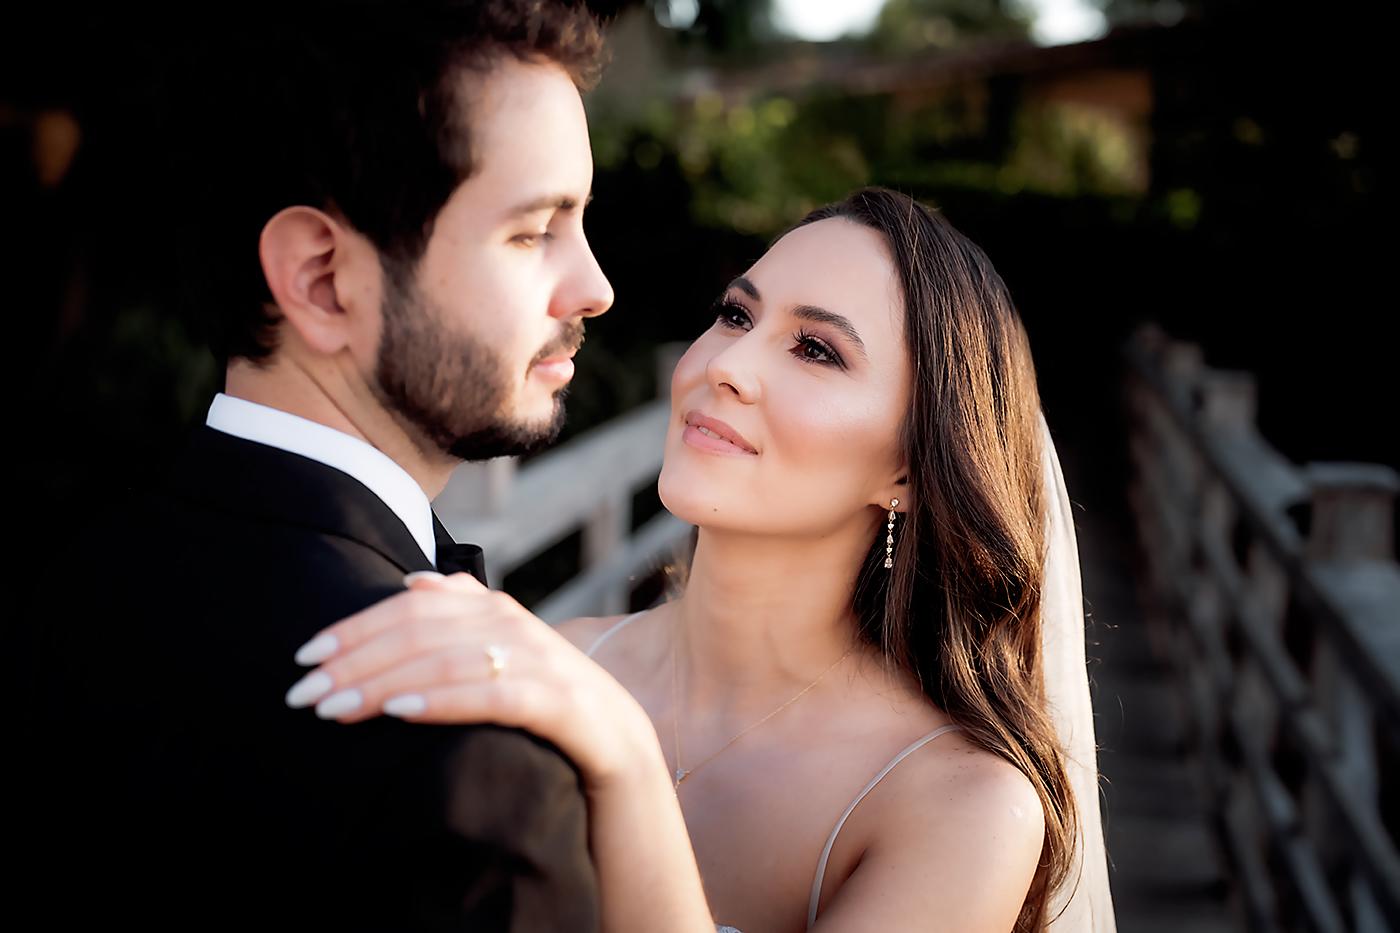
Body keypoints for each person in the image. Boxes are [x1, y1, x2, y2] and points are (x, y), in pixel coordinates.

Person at [285, 187, 1118, 932]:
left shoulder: (960, 806)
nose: (726, 367)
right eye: (735, 314)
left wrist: (625, 761)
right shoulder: (555, 656)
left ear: (906, 467)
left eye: (816, 350)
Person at [25, 2, 615, 929]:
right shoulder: (473, 762)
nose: (595, 285)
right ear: (322, 279)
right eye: (534, 230)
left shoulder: (64, 574)